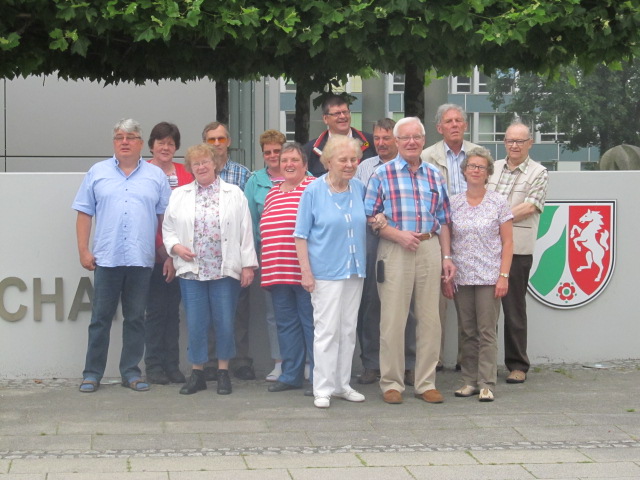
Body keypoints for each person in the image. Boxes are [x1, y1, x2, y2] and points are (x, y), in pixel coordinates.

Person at [73, 118, 171, 393]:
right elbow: (84, 213)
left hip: (142, 259)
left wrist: (166, 254)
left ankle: (131, 372)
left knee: (136, 318)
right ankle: (92, 374)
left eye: (130, 137)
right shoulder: (97, 172)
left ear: (141, 143)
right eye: (119, 137)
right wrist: (83, 250)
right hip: (107, 258)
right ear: (114, 143)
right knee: (100, 319)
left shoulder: (156, 177)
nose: (124, 142)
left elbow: (165, 218)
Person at [364, 117, 455, 405]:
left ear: (423, 140)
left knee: (430, 320)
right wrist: (396, 234)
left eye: (416, 137)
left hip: (428, 247)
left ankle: (425, 382)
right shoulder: (382, 174)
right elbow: (369, 217)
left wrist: (447, 256)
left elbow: (444, 220)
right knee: (392, 319)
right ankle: (391, 383)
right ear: (396, 142)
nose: (411, 142)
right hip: (394, 249)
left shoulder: (434, 176)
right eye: (405, 138)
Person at [162, 144, 258, 395]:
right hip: (192, 271)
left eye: (205, 162)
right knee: (196, 323)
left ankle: (223, 372)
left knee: (224, 321)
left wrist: (248, 265)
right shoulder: (179, 194)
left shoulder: (234, 193)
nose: (202, 167)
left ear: (215, 163)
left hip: (224, 270)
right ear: (191, 168)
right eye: (196, 164)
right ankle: (198, 373)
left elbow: (246, 231)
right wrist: (176, 248)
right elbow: (168, 228)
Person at [294, 135, 367, 409]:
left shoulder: (359, 188)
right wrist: (306, 273)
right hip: (325, 271)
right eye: (343, 160)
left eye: (353, 160)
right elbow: (300, 235)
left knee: (348, 329)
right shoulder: (313, 191)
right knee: (326, 331)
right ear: (327, 162)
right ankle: (322, 388)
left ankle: (342, 384)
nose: (349, 164)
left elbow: (368, 218)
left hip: (354, 268)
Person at [443, 147, 513, 402]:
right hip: (462, 276)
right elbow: (447, 237)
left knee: (486, 331)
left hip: (488, 277)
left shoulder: (498, 202)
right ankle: (468, 380)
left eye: (480, 167)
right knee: (467, 330)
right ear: (464, 171)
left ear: (488, 173)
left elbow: (508, 243)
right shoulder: (454, 202)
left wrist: (503, 275)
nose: (475, 170)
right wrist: (447, 266)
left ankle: (486, 382)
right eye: (471, 166)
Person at [355, 118, 417, 386]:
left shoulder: (413, 167)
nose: (380, 143)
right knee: (371, 303)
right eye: (377, 138)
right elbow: (359, 204)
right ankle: (371, 363)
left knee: (408, 305)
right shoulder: (364, 167)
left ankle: (409, 363)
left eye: (386, 138)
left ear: (398, 140)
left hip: (404, 239)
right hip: (370, 240)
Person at [487, 122, 548, 384]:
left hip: (518, 249)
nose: (514, 145)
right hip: (486, 248)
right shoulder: (492, 168)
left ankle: (518, 365)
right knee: (485, 309)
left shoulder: (539, 172)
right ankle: (485, 364)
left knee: (514, 309)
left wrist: (497, 218)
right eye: (510, 140)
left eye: (520, 141)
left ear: (530, 143)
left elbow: (531, 205)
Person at [421, 104, 480, 372]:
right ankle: (434, 361)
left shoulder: (480, 154)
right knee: (436, 303)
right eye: (449, 121)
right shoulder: (426, 157)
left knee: (470, 301)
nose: (455, 125)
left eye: (459, 120)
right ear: (439, 128)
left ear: (465, 125)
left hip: (472, 238)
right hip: (438, 234)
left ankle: (467, 361)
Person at [200, 122, 256, 381]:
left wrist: (247, 260)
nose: (217, 144)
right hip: (207, 257)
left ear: (229, 141)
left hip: (235, 254)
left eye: (221, 139)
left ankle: (241, 360)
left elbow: (247, 220)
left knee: (239, 310)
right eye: (211, 140)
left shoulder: (244, 175)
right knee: (210, 311)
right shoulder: (198, 172)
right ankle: (211, 362)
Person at [260, 142, 315, 394]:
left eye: (294, 160)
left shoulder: (313, 188)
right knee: (286, 325)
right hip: (276, 271)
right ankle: (291, 374)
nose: (289, 165)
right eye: (284, 161)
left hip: (304, 273)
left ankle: (318, 377)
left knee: (310, 324)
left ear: (304, 164)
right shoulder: (272, 191)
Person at [144, 122, 192, 385]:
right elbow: (147, 218)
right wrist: (164, 253)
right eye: (160, 142)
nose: (165, 147)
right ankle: (153, 366)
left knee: (173, 312)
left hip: (179, 256)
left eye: (171, 143)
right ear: (151, 145)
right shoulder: (142, 173)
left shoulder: (186, 173)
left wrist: (175, 255)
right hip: (154, 256)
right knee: (154, 312)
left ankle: (172, 366)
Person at [244, 130, 287, 381]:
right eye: (267, 152)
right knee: (274, 311)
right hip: (268, 253)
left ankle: (304, 361)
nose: (273, 156)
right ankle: (279, 361)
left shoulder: (305, 176)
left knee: (303, 309)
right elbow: (248, 221)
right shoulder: (255, 181)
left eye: (277, 151)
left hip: (297, 254)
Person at [302, 94, 376, 177]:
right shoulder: (309, 151)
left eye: (345, 112)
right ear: (325, 119)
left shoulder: (371, 143)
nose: (342, 116)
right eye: (336, 113)